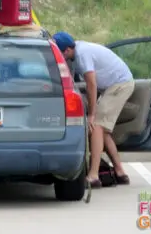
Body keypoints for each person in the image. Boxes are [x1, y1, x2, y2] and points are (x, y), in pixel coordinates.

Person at [52, 32, 135, 188]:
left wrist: (91, 113)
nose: (61, 57)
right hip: (113, 85)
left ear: (68, 50)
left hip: (120, 85)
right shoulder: (78, 52)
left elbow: (91, 84)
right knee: (102, 130)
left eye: (61, 53)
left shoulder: (82, 54)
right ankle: (120, 172)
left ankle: (93, 175)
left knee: (96, 124)